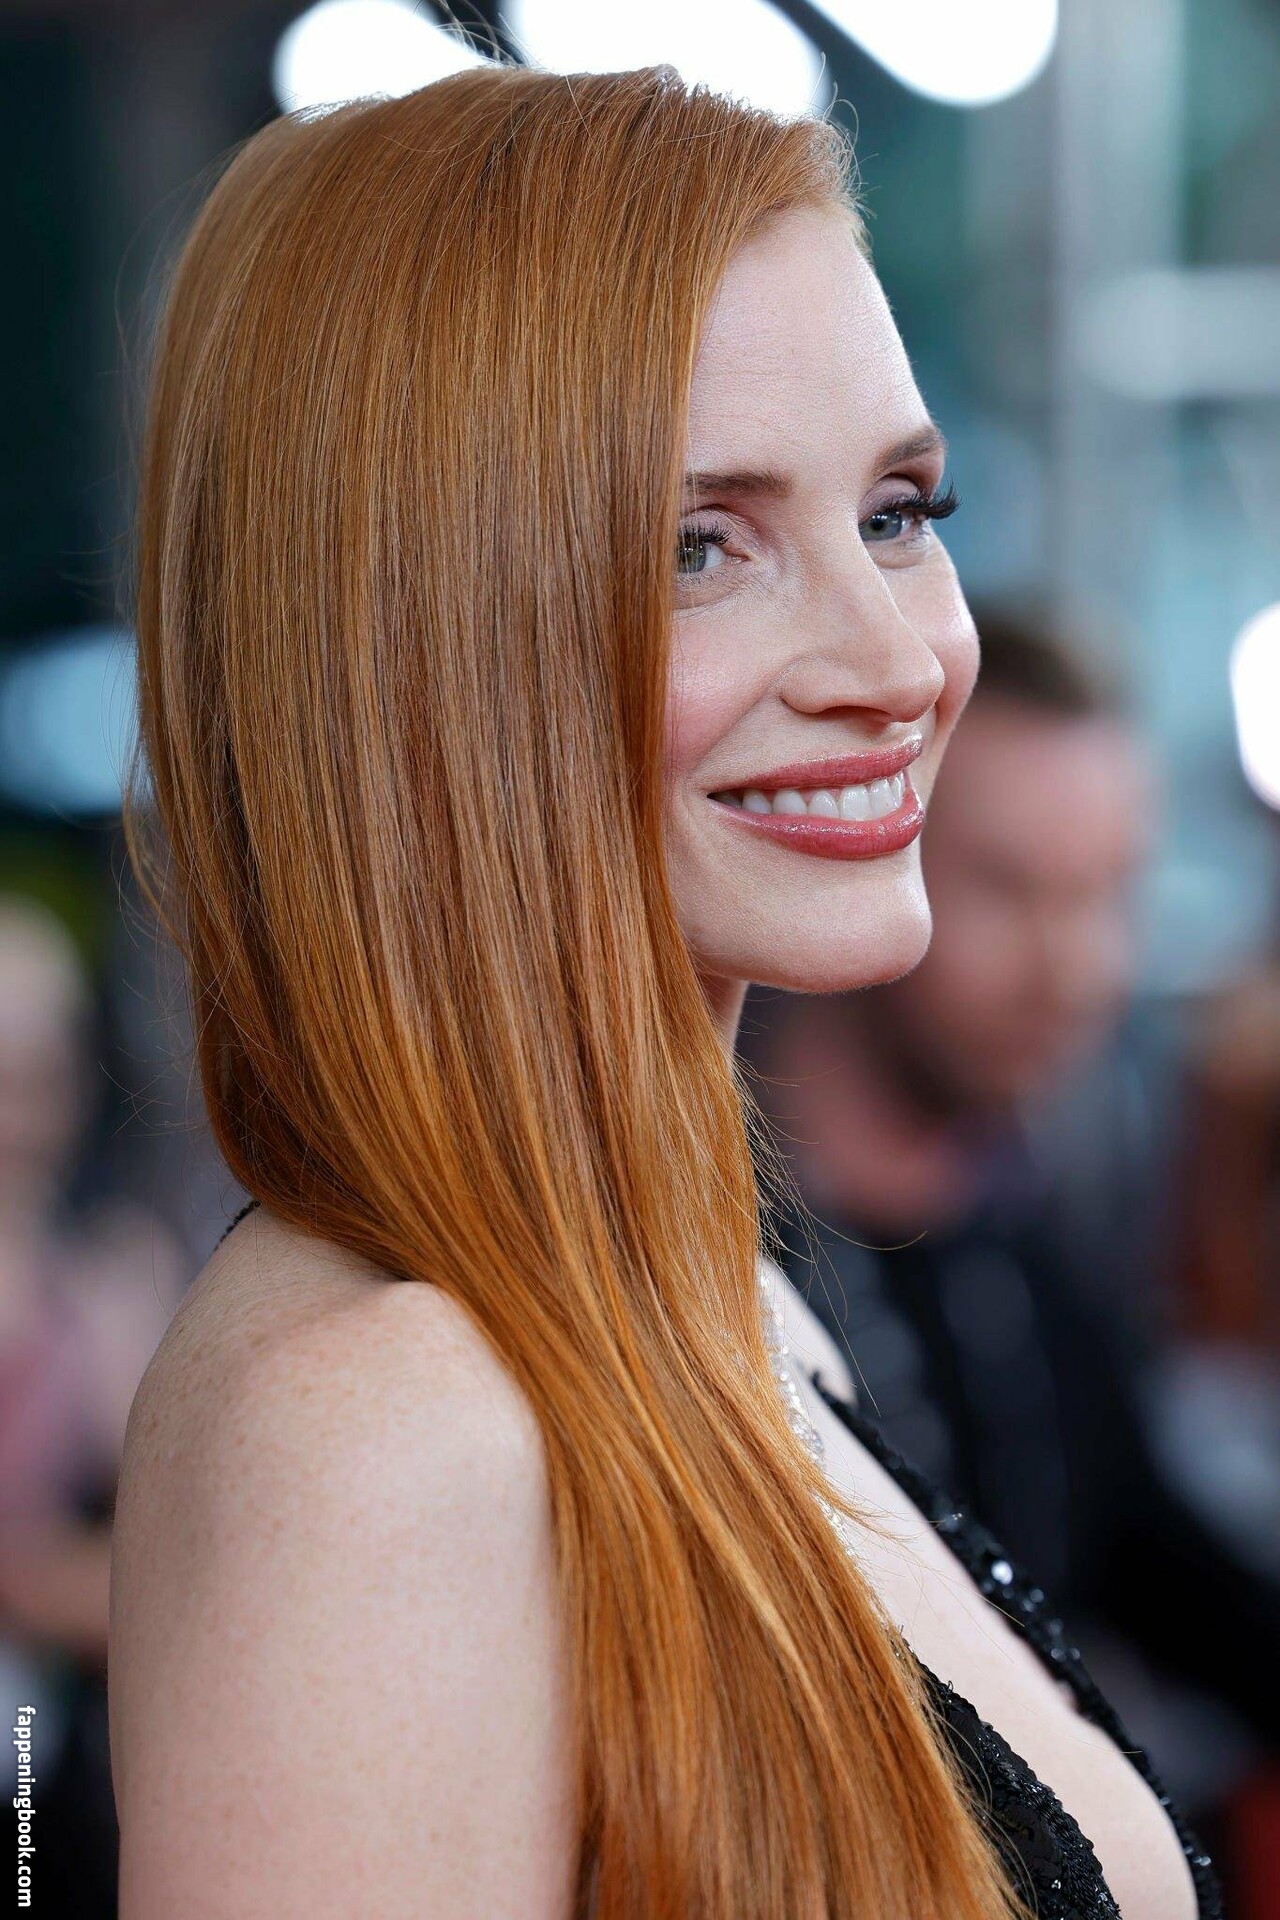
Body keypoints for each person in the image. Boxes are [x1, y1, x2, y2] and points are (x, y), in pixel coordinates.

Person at [108, 66, 1218, 1919]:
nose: (897, 660)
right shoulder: (379, 1428)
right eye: (700, 545)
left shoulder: (716, 1296)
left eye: (899, 510)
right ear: (413, 640)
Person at [742, 611, 1280, 1832]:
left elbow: (1163, 1567)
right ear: (869, 846)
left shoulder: (1032, 1239)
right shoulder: (710, 1258)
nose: (1073, 968)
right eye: (1009, 888)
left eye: (1104, 894)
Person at [0, 894, 185, 1917]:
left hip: (51, 1750)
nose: (13, 1119)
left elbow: (163, 1541)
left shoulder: (110, 1280)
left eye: (32, 1078)